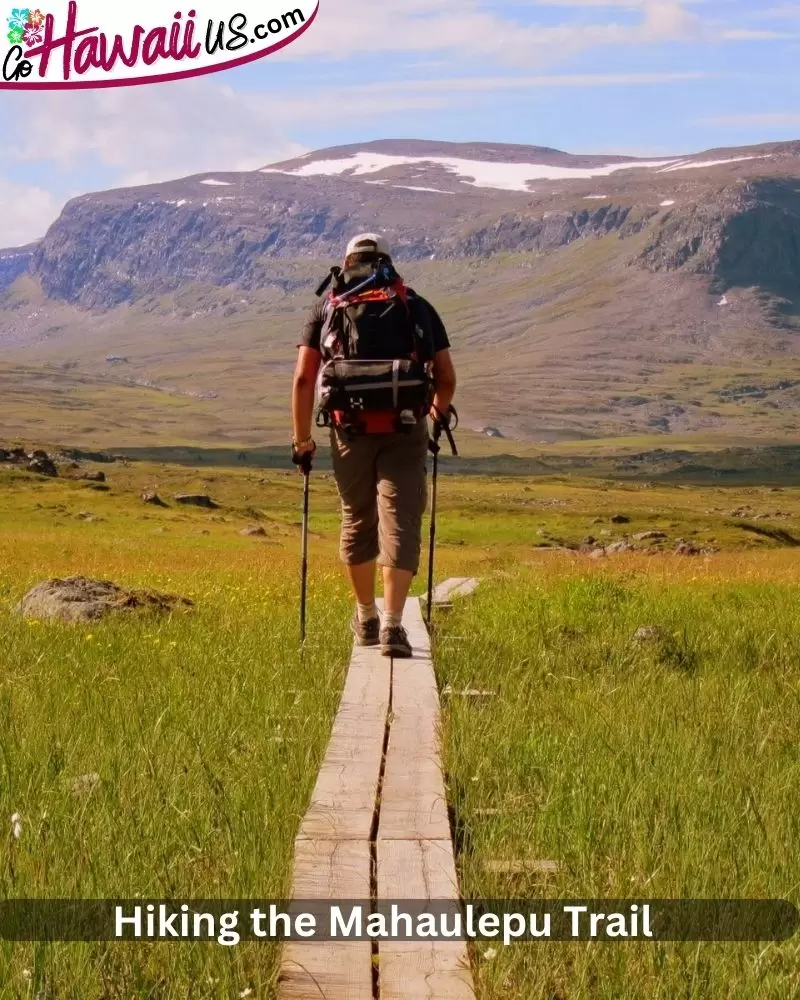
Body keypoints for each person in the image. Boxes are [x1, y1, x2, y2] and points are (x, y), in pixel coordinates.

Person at [291, 233, 457, 657]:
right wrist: (436, 413)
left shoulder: (328, 306)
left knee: (356, 519)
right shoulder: (414, 305)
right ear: (386, 261)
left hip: (349, 431)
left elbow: (304, 380)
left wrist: (302, 441)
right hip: (406, 428)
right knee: (400, 522)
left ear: (347, 261)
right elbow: (446, 376)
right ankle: (393, 627)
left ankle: (365, 617)